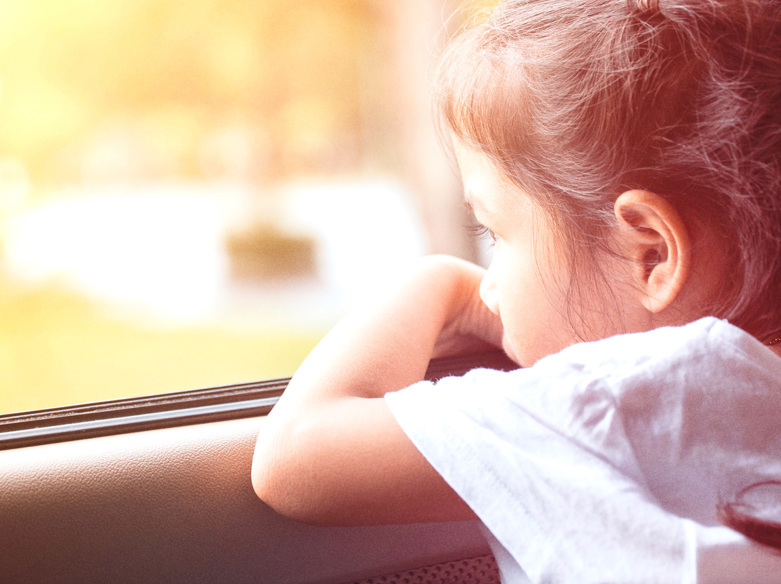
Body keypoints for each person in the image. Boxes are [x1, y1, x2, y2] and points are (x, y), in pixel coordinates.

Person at [252, 0, 781, 581]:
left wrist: (444, 282)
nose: (494, 285)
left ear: (651, 253)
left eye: (496, 233)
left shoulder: (607, 405)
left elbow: (296, 457)